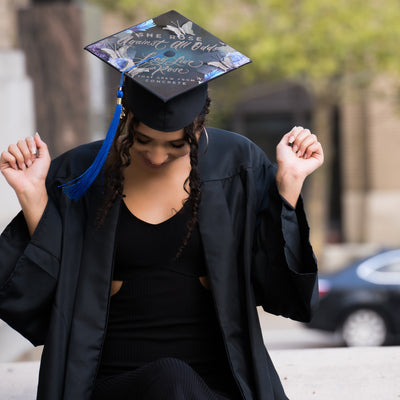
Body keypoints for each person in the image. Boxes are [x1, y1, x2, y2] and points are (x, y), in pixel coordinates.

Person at [0, 10, 323, 400]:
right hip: (109, 380)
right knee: (170, 380)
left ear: (199, 126)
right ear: (125, 117)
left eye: (176, 145)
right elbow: (41, 302)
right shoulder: (81, 171)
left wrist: (288, 185)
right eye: (142, 140)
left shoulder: (236, 163)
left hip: (216, 380)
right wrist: (33, 195)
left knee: (176, 383)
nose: (155, 156)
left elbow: (276, 287)